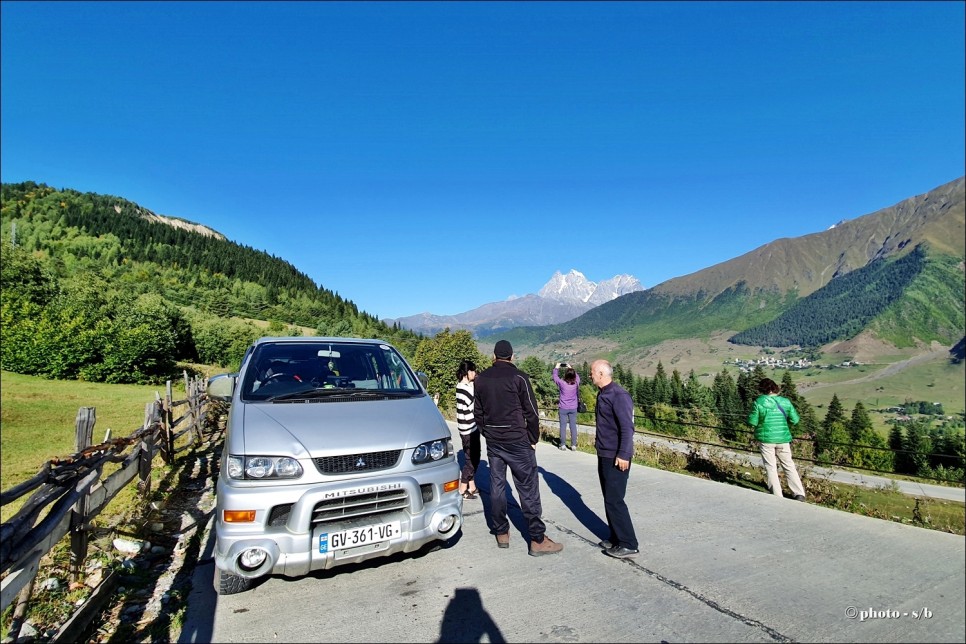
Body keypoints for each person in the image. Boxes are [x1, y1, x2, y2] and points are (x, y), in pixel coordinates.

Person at [473, 340, 563, 556]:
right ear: (512, 357)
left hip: (494, 441)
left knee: (496, 486)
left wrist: (487, 432)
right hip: (517, 440)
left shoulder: (481, 378)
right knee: (528, 489)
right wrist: (532, 437)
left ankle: (501, 532)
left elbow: (478, 412)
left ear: (494, 356)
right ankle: (537, 539)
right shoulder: (519, 377)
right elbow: (531, 411)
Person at [590, 359, 640, 559]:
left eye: (592, 372)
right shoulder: (604, 394)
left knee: (615, 500)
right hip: (604, 453)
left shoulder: (619, 395)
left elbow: (627, 428)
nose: (590, 375)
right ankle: (616, 537)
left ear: (602, 374)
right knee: (608, 498)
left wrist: (624, 454)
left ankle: (628, 543)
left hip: (616, 456)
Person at [747, 377, 807, 502]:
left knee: (771, 466)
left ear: (762, 389)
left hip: (766, 439)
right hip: (783, 438)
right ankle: (799, 493)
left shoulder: (759, 402)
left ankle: (777, 495)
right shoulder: (785, 402)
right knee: (789, 465)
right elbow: (795, 420)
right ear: (775, 388)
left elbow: (752, 422)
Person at [455, 359, 480, 500]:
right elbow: (473, 407)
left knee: (470, 457)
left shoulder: (462, 385)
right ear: (468, 372)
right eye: (473, 371)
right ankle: (462, 488)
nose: (475, 374)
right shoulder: (465, 388)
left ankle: (472, 486)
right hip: (469, 428)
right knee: (472, 460)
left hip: (465, 427)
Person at [553, 363, 580, 451]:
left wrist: (556, 367)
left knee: (563, 426)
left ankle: (563, 444)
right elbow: (577, 376)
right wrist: (571, 367)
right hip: (573, 408)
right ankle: (573, 445)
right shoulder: (576, 383)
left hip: (563, 407)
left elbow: (555, 377)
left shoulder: (562, 383)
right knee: (573, 426)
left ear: (565, 375)